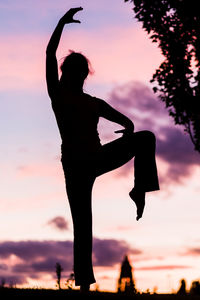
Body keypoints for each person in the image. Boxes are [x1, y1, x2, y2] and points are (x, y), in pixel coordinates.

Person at [46, 7, 159, 292]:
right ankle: (84, 285)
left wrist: (129, 127)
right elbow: (49, 56)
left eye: (81, 72)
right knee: (83, 223)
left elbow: (126, 120)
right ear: (67, 74)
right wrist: (60, 24)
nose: (78, 76)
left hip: (96, 159)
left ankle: (139, 189)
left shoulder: (93, 102)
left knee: (146, 138)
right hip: (76, 166)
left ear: (84, 75)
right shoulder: (59, 96)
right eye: (74, 71)